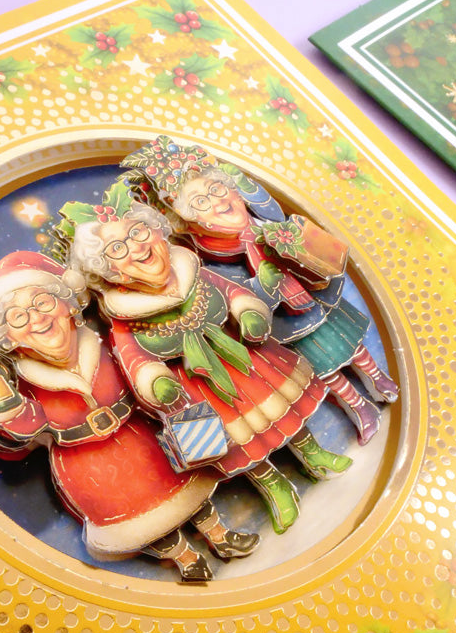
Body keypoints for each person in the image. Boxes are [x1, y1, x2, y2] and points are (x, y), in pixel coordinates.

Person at [63, 179, 352, 536]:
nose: (136, 247)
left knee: (284, 406)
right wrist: (155, 382)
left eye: (138, 232)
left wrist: (247, 311)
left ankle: (312, 452)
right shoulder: (125, 317)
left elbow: (231, 292)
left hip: (248, 361)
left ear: (158, 234)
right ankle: (274, 485)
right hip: (198, 388)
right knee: (237, 442)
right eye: (118, 249)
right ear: (110, 271)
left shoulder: (194, 272)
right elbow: (133, 359)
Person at [0, 250, 259, 582]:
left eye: (42, 302)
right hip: (89, 471)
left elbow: (141, 372)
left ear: (68, 305)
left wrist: (165, 392)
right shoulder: (27, 388)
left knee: (187, 493)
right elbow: (26, 425)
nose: (36, 318)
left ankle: (219, 535)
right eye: (18, 317)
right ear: (9, 339)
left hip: (143, 441)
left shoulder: (108, 345)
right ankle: (185, 558)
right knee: (143, 523)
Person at [121, 136, 399, 444]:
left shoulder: (261, 219)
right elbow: (237, 294)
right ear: (191, 222)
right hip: (285, 320)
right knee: (323, 365)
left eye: (217, 189)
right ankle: (359, 405)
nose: (217, 202)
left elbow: (270, 207)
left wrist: (250, 190)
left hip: (311, 288)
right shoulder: (208, 259)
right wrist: (262, 286)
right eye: (201, 203)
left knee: (348, 340)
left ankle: (376, 377)